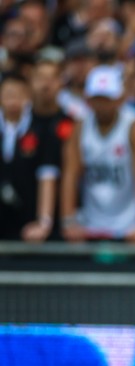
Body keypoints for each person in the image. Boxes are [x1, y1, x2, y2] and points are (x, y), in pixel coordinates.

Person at [61, 65, 135, 242]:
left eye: (107, 98)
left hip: (129, 224)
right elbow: (70, 175)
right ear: (88, 99)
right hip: (91, 223)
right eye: (98, 98)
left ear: (120, 99)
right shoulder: (81, 126)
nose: (102, 105)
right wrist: (69, 221)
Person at [0, 72, 58, 242]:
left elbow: (47, 175)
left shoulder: (42, 128)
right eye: (8, 94)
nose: (13, 100)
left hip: (30, 216)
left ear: (28, 97)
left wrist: (44, 221)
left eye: (18, 94)